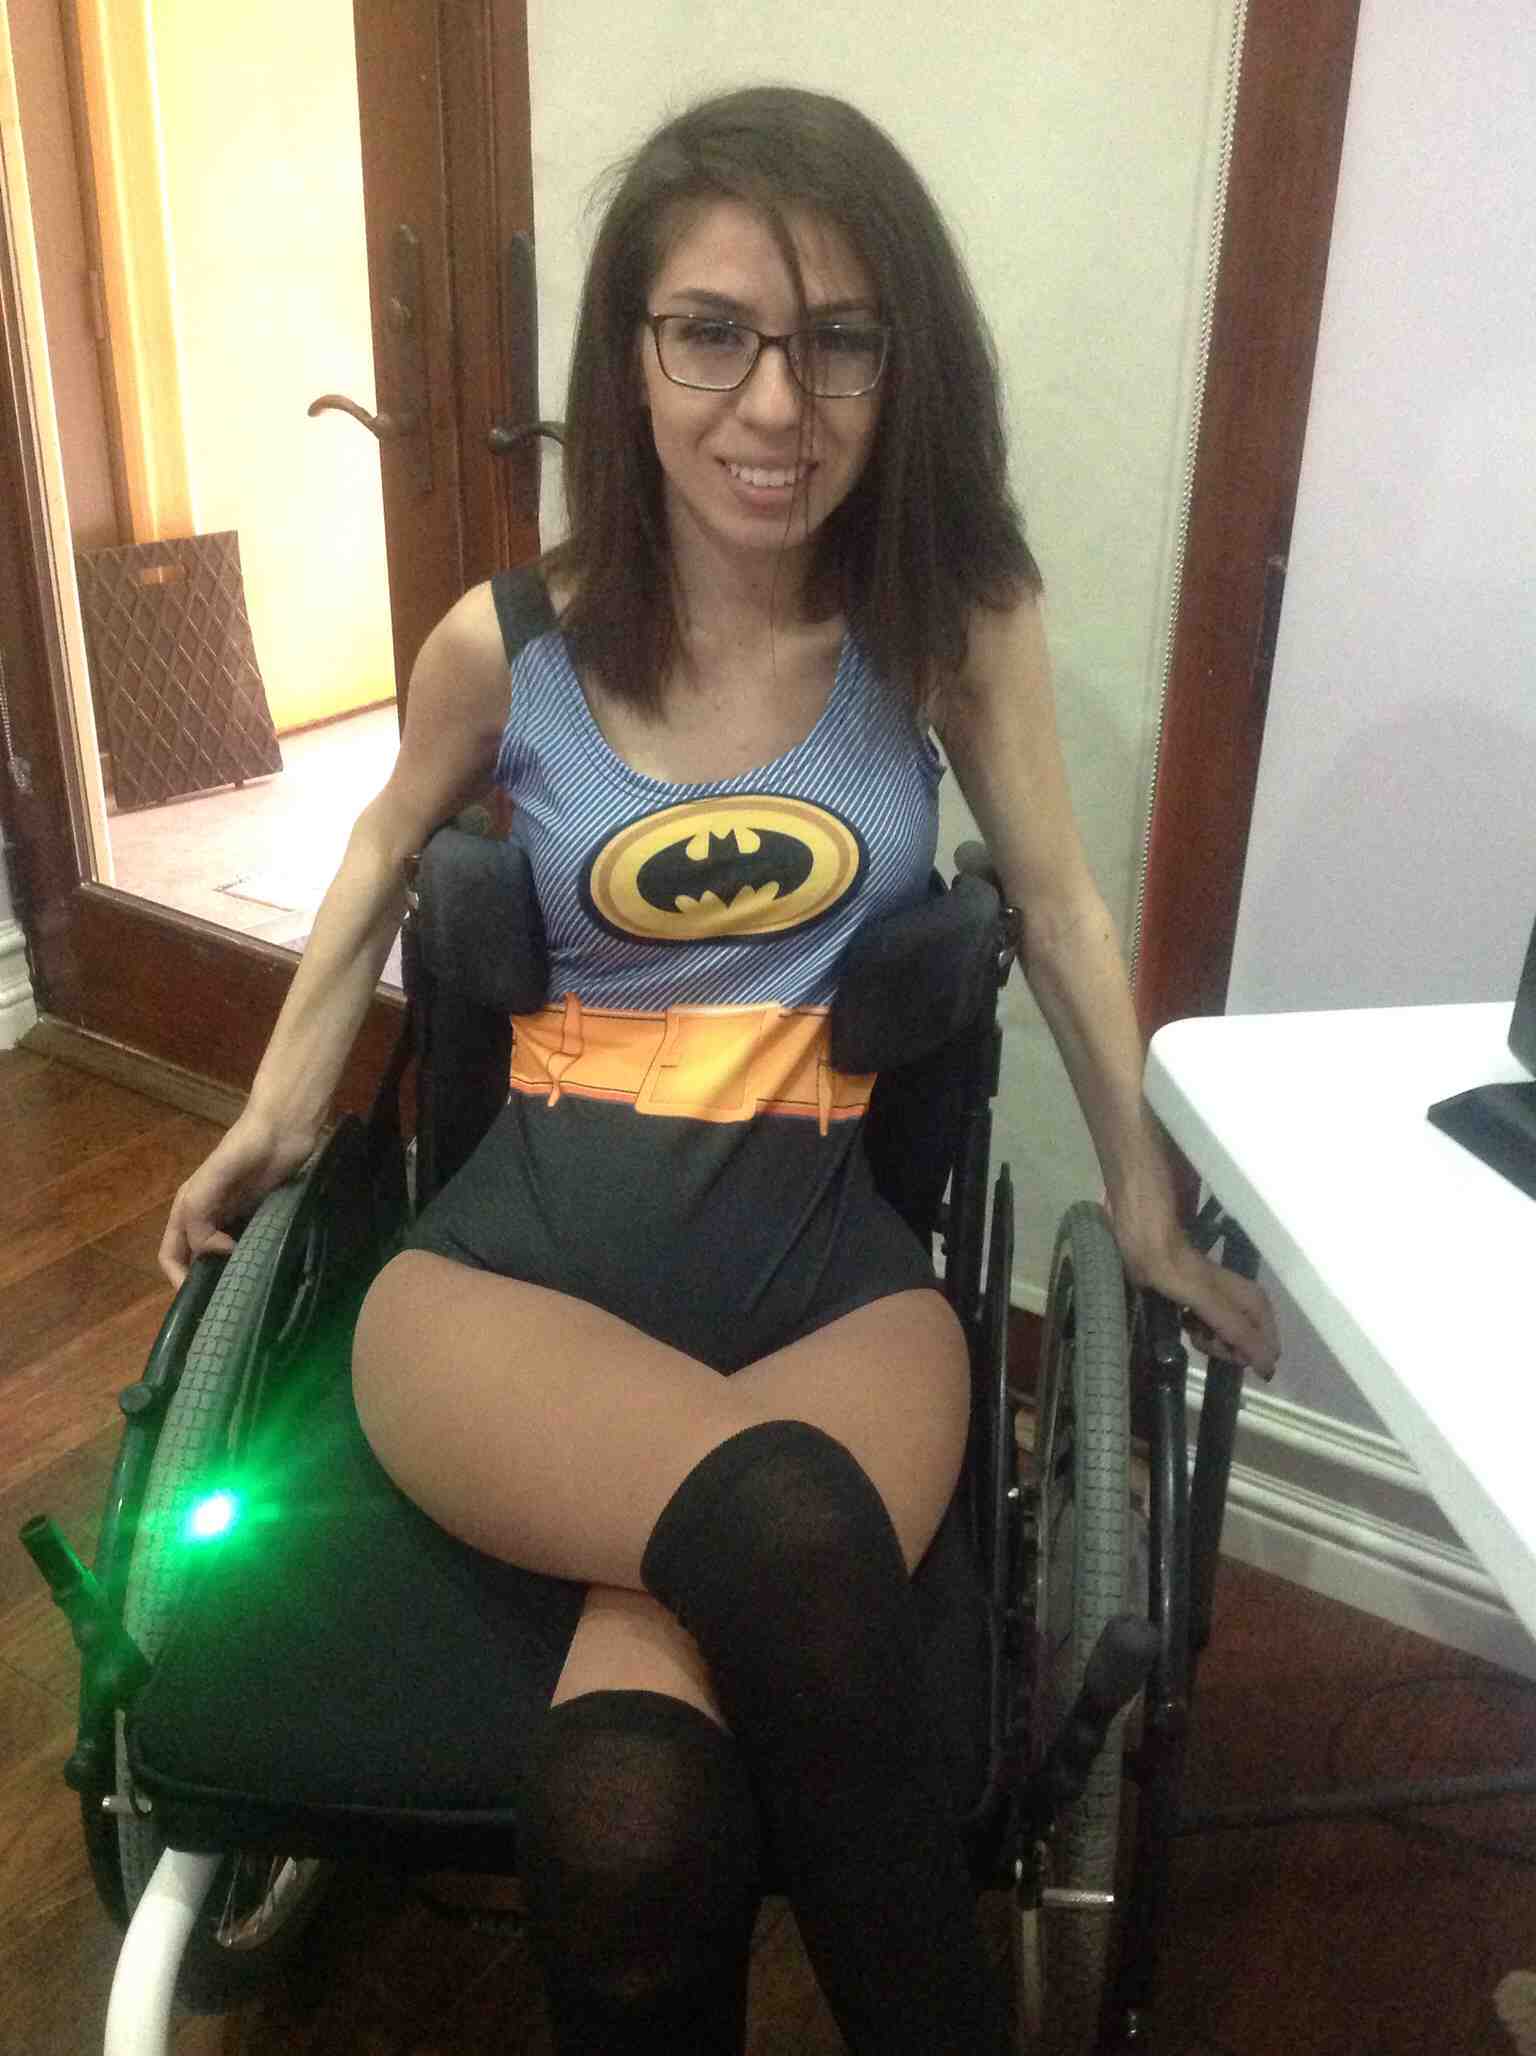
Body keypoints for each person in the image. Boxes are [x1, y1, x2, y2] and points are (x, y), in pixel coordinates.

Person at [162, 84, 1278, 2054]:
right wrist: (270, 1115)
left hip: (830, 1287)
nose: (777, 403)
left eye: (840, 338)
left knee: (634, 1817)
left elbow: (1062, 908)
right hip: (513, 1283)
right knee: (771, 1550)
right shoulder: (508, 645)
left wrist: (1148, 1204)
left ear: (901, 364)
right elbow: (377, 856)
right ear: (632, 354)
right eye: (713, 332)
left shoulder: (948, 628)